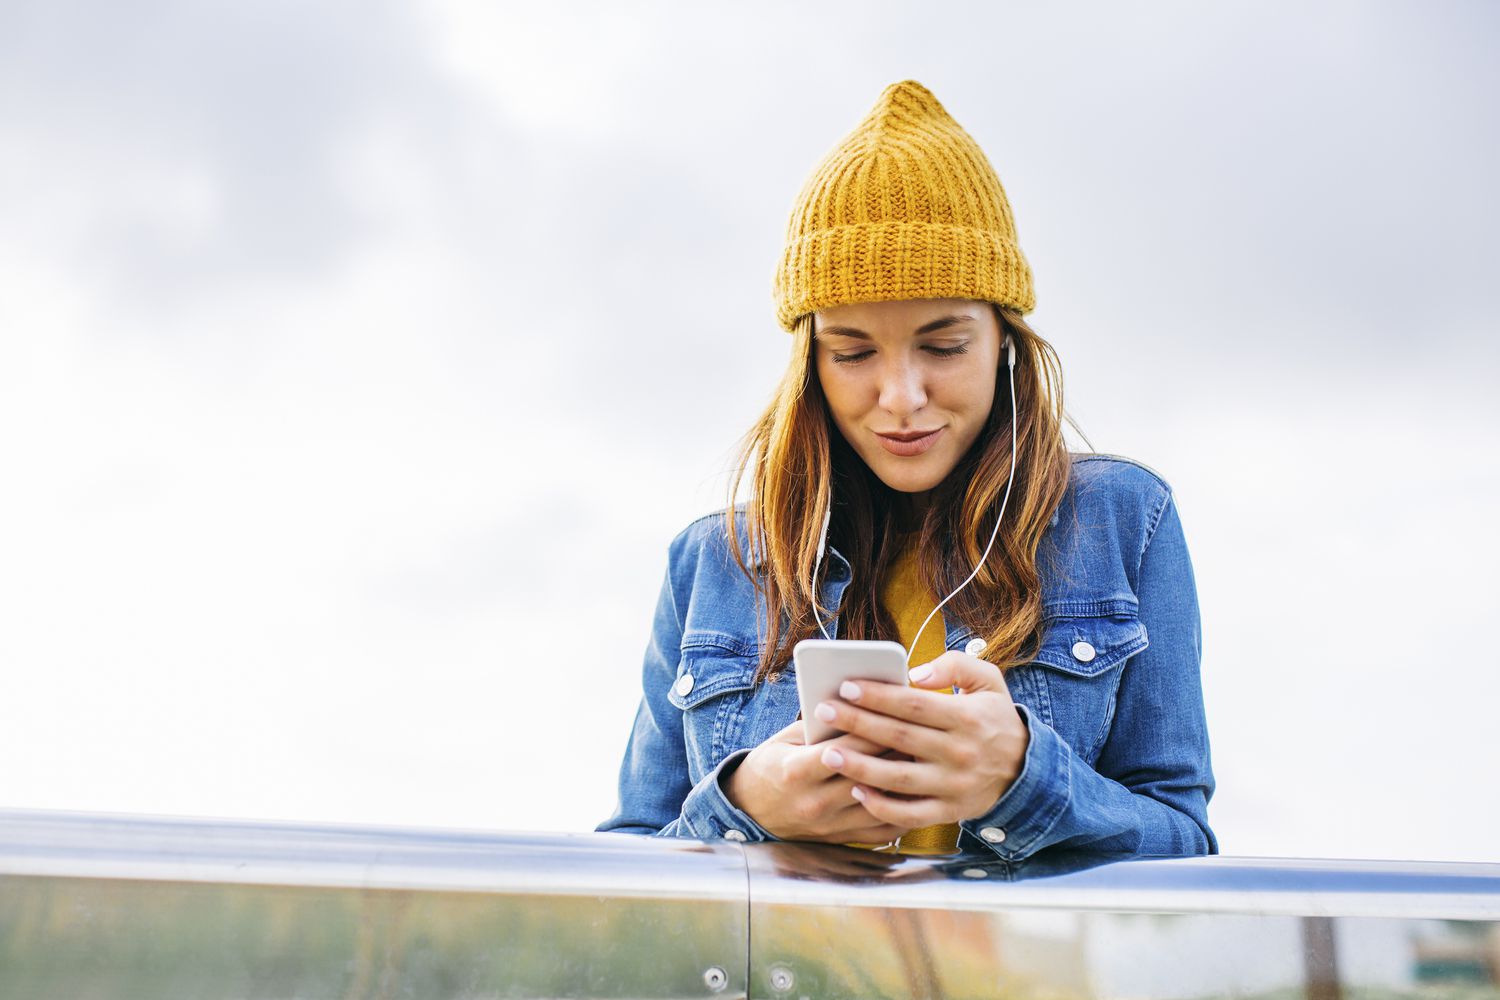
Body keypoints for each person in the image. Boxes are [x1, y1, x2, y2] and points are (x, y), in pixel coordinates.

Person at [596, 79, 1217, 861]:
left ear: (1004, 341)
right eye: (853, 352)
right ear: (809, 363)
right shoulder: (712, 562)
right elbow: (628, 867)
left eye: (943, 345)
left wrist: (1025, 782)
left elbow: (1184, 846)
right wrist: (744, 803)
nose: (901, 398)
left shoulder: (1124, 519)